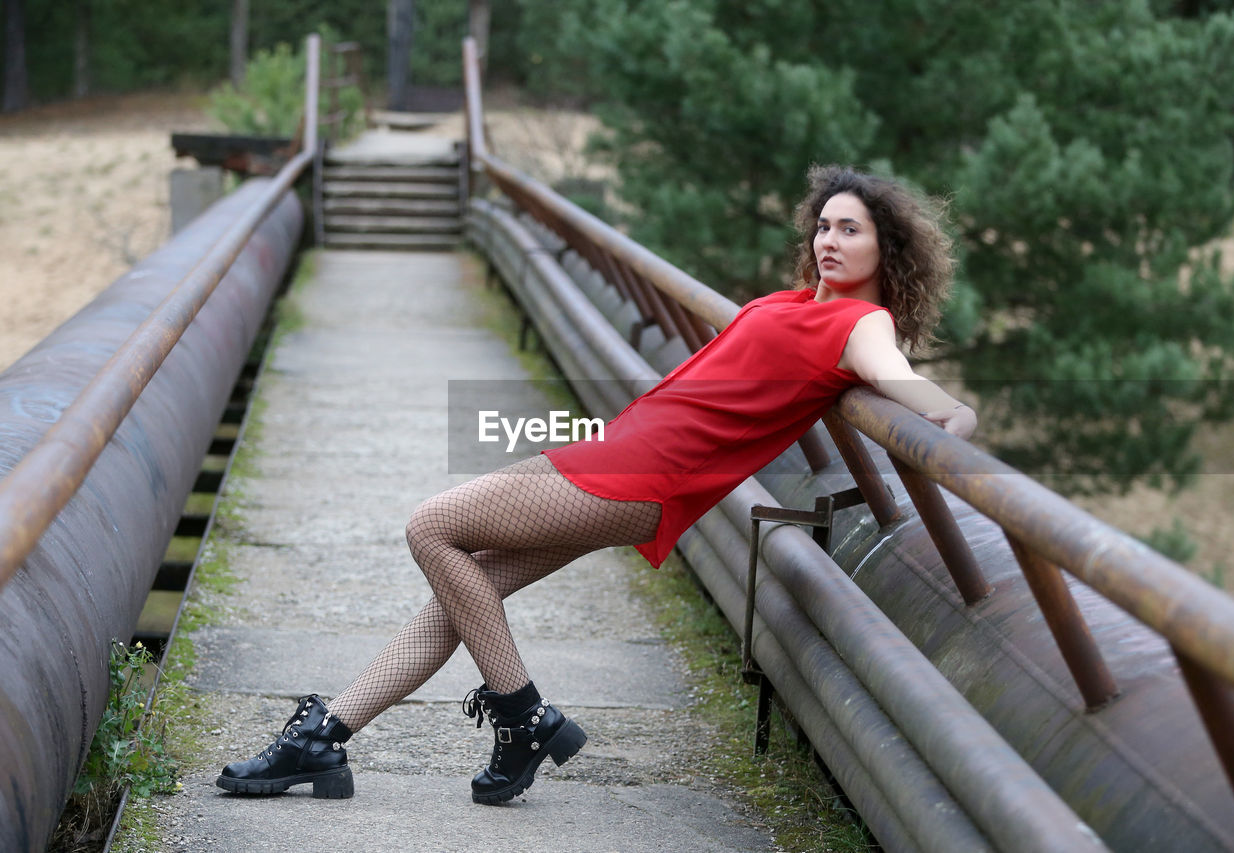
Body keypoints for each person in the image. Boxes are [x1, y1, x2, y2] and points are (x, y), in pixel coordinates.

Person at [215, 165, 976, 805]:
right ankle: (326, 738)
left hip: (638, 475)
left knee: (430, 526)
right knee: (464, 589)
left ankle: (524, 716)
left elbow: (898, 379)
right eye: (825, 227)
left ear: (887, 248)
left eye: (852, 231)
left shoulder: (861, 323)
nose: (831, 242)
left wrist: (950, 413)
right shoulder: (793, 301)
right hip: (617, 453)